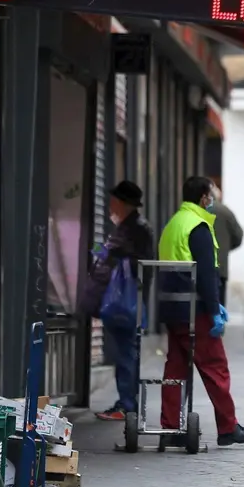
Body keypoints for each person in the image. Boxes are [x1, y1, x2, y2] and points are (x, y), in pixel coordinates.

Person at [159, 176, 244, 446]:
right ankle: (228, 428)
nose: (213, 198)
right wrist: (214, 307)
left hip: (172, 308)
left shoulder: (174, 223)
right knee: (215, 366)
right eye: (212, 194)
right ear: (205, 197)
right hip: (196, 310)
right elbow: (206, 273)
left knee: (176, 367)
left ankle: (170, 427)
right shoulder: (199, 226)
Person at [81, 181, 155, 422]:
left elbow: (109, 254)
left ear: (122, 203)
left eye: (113, 200)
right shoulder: (131, 226)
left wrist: (88, 248)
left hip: (125, 299)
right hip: (129, 297)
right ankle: (126, 403)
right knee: (125, 352)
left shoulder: (133, 229)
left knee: (125, 353)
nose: (110, 204)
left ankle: (126, 405)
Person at [210, 182, 244, 307]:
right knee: (218, 304)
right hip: (219, 266)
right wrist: (224, 249)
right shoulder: (225, 211)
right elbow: (238, 236)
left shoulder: (195, 210)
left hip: (196, 266)